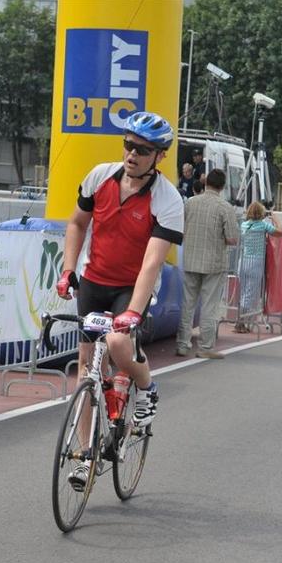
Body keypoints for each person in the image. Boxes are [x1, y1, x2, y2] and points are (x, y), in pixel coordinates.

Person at [56, 110, 183, 491]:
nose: (132, 154)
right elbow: (77, 223)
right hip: (94, 280)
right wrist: (68, 270)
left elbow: (152, 263)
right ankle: (84, 457)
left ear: (159, 156)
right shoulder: (100, 176)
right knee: (86, 368)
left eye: (143, 150)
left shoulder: (168, 200)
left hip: (132, 285)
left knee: (116, 343)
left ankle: (146, 386)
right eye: (129, 145)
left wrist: (131, 312)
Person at [176, 168, 239, 359]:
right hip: (214, 262)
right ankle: (205, 346)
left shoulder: (190, 203)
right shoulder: (225, 207)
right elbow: (232, 238)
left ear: (205, 183)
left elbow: (180, 228)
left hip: (190, 259)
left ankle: (182, 344)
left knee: (188, 304)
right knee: (209, 306)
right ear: (222, 186)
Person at [234, 201, 282, 333]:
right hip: (256, 262)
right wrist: (276, 219)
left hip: (243, 261)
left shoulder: (244, 225)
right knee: (250, 294)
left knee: (244, 292)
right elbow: (280, 233)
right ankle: (240, 321)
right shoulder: (263, 225)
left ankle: (242, 319)